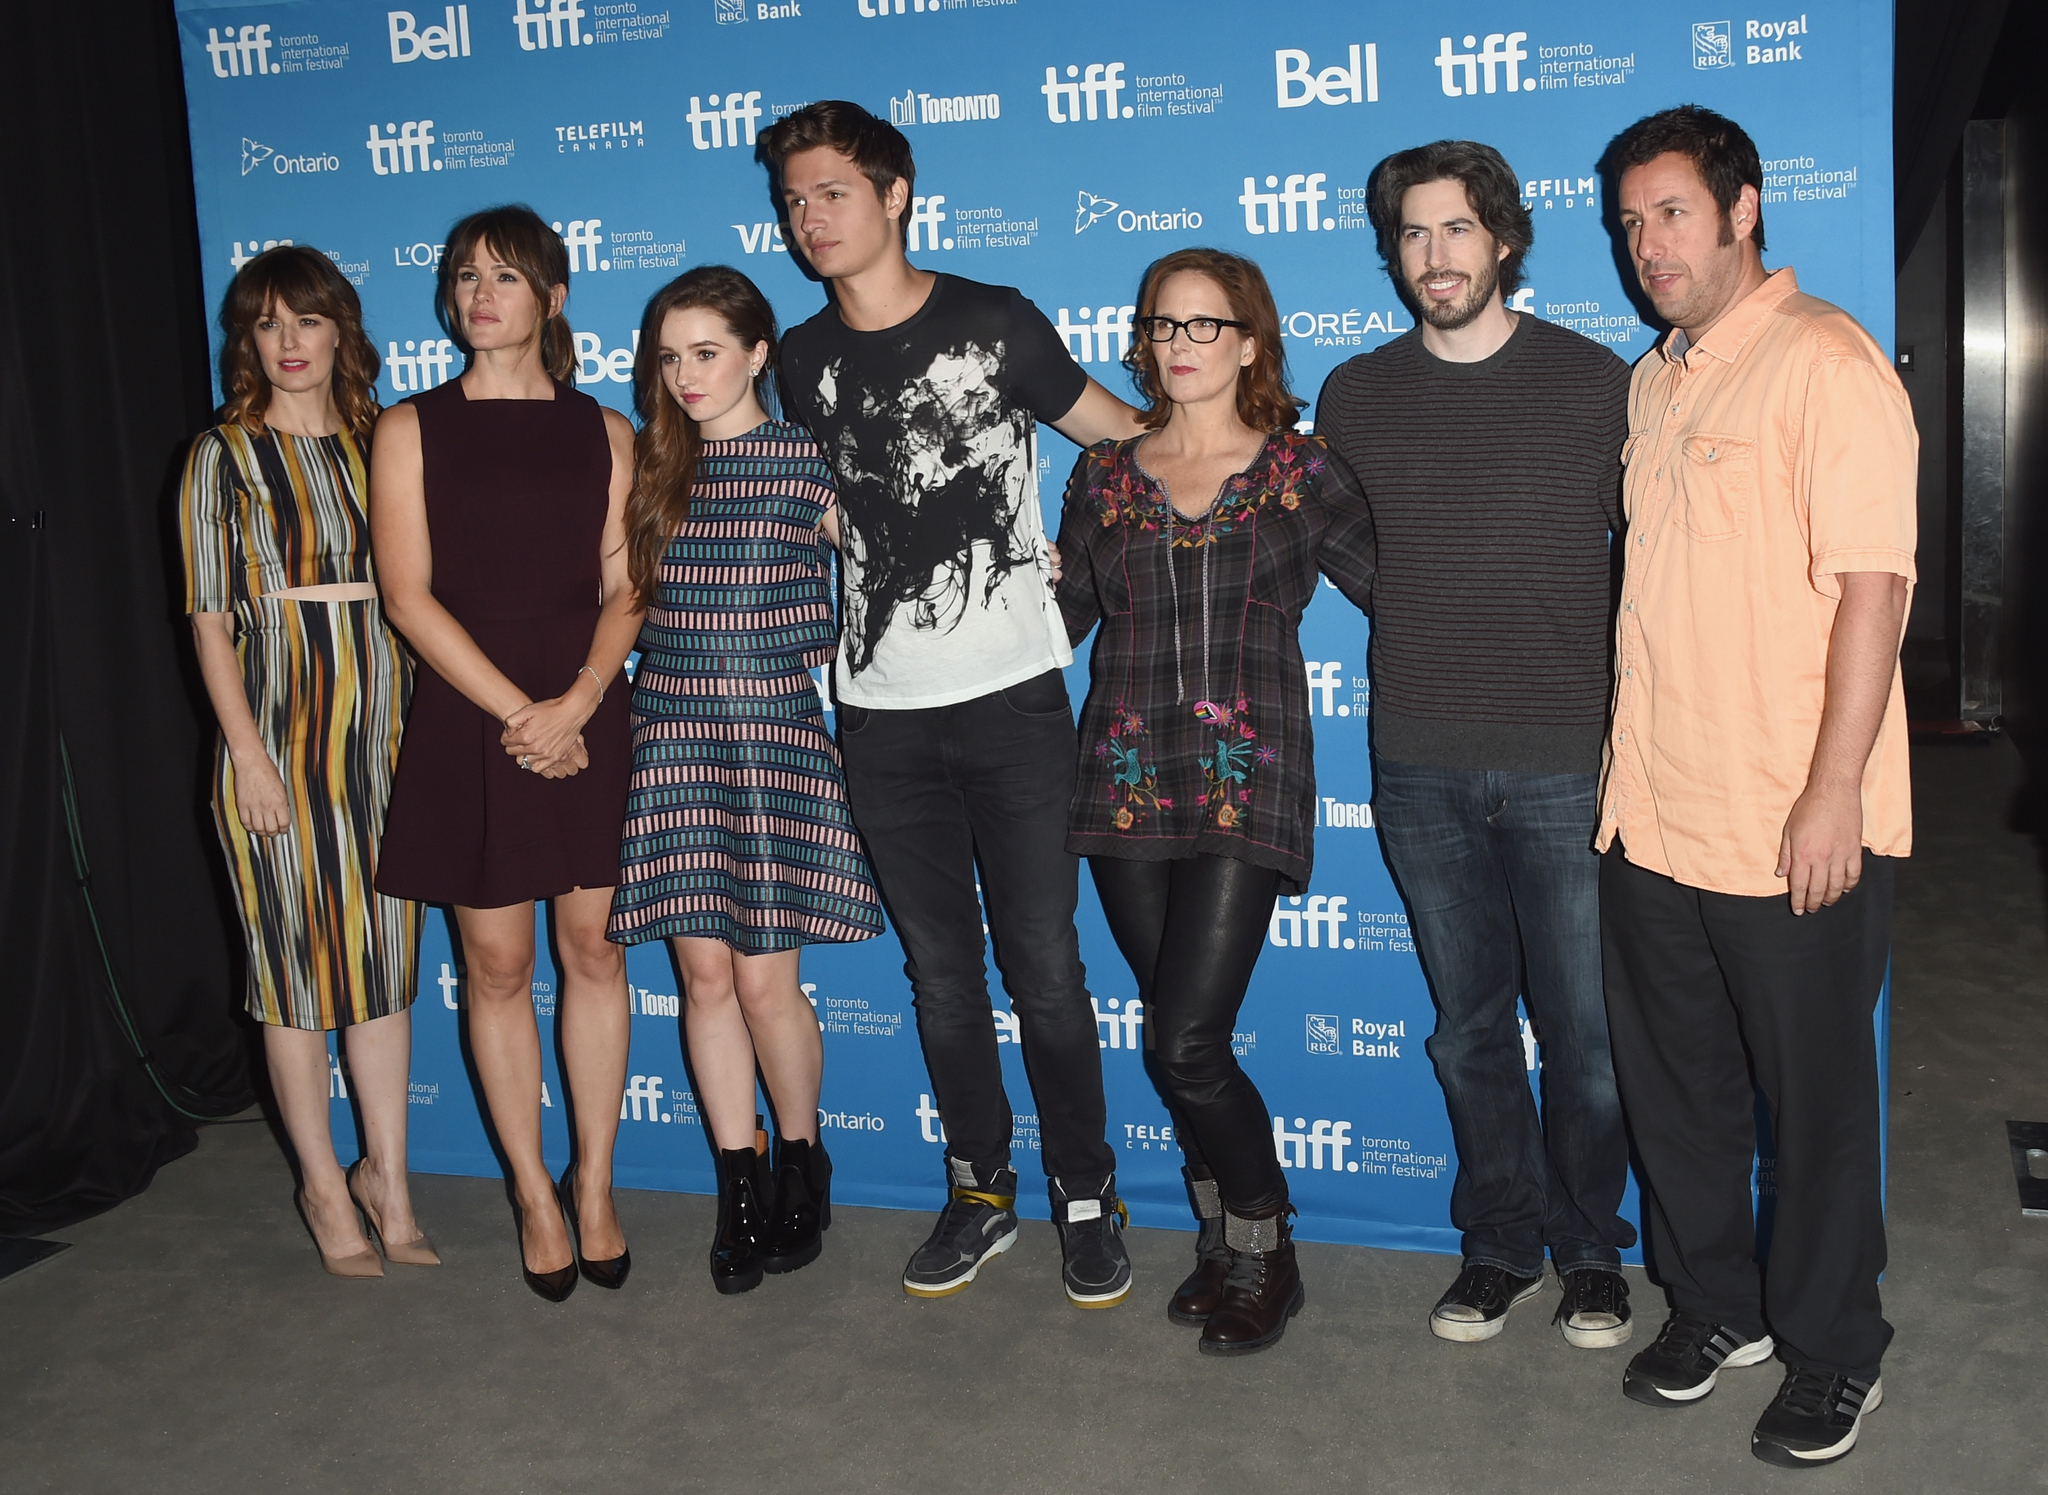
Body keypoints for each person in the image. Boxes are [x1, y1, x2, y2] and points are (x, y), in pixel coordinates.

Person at [756, 100, 1147, 1307]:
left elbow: (1121, 442)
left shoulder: (993, 321)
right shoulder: (801, 362)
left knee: (1042, 965)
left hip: (1012, 704)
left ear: (895, 193)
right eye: (792, 200)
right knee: (939, 973)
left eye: (829, 191)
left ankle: (1086, 1191)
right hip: (876, 711)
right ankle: (981, 1188)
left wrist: (1073, 587)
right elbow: (829, 505)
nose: (809, 218)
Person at [1596, 105, 1914, 1468]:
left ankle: (1836, 1345)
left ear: (1744, 207)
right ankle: (1717, 1305)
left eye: (1670, 212)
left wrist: (1833, 789)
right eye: (1628, 221)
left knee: (1818, 1101)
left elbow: (1872, 589)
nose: (1647, 244)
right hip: (1656, 809)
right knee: (1677, 1091)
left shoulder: (1825, 364)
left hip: (1794, 817)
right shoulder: (1656, 379)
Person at [1314, 141, 1638, 1350]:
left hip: (1567, 755)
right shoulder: (1356, 392)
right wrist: (1405, 597)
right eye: (1410, 233)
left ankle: (1591, 1249)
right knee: (1467, 1030)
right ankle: (1499, 1245)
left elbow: (1654, 549)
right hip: (1418, 758)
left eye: (1456, 230)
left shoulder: (1594, 384)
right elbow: (1332, 536)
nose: (1433, 256)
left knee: (1590, 1040)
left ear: (1502, 239)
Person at [1056, 249, 1375, 1354]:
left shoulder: (1302, 473)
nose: (1179, 345)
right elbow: (1050, 624)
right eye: (1161, 326)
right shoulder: (1101, 475)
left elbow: (1405, 591)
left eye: (1204, 325)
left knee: (1185, 1040)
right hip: (1125, 783)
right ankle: (1215, 1233)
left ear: (1248, 342)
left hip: (1251, 782)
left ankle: (1262, 1243)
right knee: (1167, 1029)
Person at [371, 205, 644, 1302]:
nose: (479, 293)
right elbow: (407, 595)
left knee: (595, 955)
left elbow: (627, 588)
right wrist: (522, 717)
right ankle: (532, 1189)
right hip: (471, 716)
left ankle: (593, 1186)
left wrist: (575, 700)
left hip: (584, 708)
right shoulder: (409, 427)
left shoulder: (606, 430)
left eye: (505, 275)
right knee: (496, 966)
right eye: (464, 276)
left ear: (554, 296)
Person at [608, 266, 886, 1294]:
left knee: (768, 983)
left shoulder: (807, 462)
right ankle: (739, 1180)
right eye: (669, 356)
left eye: (706, 351)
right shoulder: (649, 470)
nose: (684, 374)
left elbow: (892, 563)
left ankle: (803, 1163)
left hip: (773, 735)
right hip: (671, 734)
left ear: (758, 353)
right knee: (703, 979)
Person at [179, 244, 429, 1278]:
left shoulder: (383, 442)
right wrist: (247, 757)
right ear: (249, 340)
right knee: (293, 977)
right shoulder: (221, 455)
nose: (289, 343)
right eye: (268, 324)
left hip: (385, 730)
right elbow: (204, 617)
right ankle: (324, 1187)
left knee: (380, 972)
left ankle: (390, 1179)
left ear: (341, 333)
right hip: (276, 735)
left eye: (309, 321)